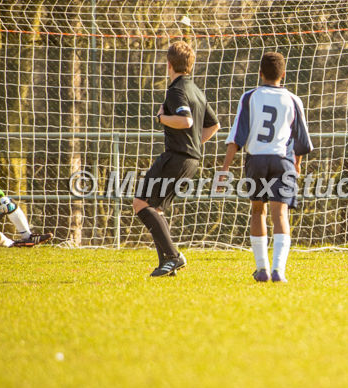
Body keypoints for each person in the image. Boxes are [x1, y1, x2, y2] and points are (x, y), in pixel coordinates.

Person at [220, 52, 313, 282]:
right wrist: (297, 165)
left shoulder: (249, 97)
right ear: (283, 74)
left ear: (260, 73)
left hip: (256, 160)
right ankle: (278, 270)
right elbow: (301, 141)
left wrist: (224, 169)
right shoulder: (293, 99)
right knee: (280, 213)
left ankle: (262, 269)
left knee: (257, 211)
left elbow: (236, 138)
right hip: (282, 161)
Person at [133, 41, 220, 277]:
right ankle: (167, 263)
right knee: (157, 208)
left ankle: (173, 256)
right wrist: (194, 143)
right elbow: (214, 125)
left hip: (176, 157)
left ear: (169, 64)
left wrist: (161, 119)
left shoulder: (176, 90)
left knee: (140, 203)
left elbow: (186, 121)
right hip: (191, 159)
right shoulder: (196, 90)